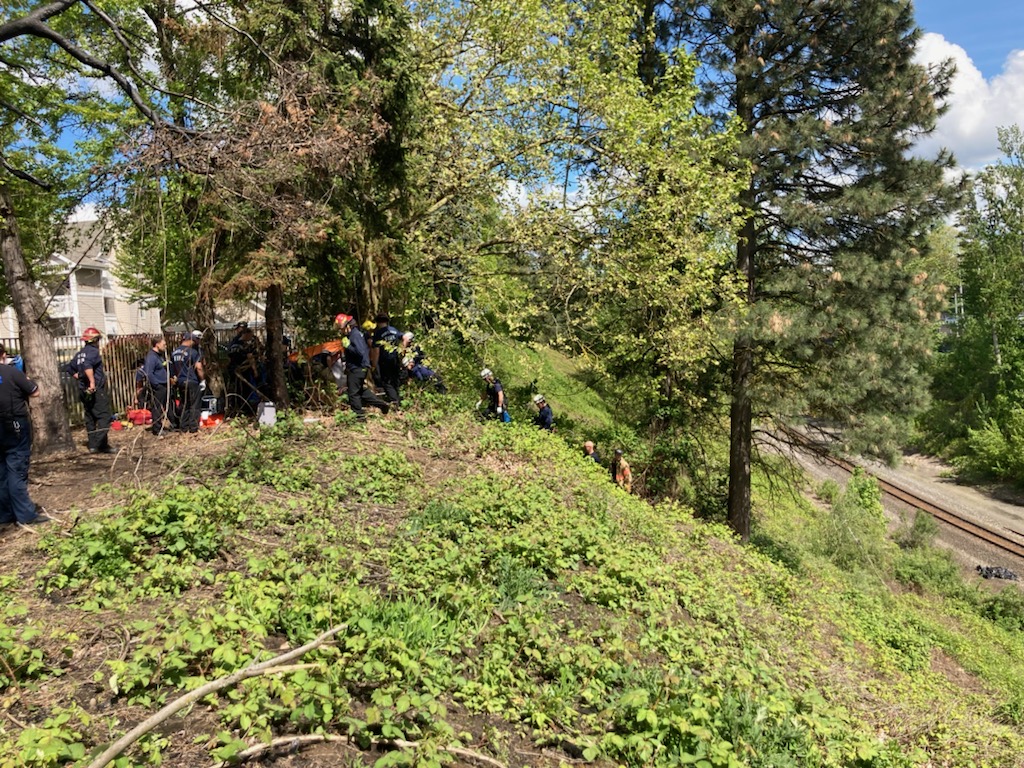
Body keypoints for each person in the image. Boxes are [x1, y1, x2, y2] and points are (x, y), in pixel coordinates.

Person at [0, 343, 50, 526]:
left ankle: (4, 514)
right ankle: (25, 514)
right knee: (16, 469)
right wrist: (25, 379)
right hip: (13, 425)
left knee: (1, 471)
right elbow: (34, 392)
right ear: (3, 354)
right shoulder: (12, 372)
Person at [66, 327, 113, 454]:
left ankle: (95, 445)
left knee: (91, 417)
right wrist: (92, 382)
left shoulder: (79, 354)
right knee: (105, 417)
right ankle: (99, 443)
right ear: (95, 340)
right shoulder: (93, 352)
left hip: (83, 390)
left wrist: (79, 377)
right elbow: (87, 366)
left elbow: (69, 368)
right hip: (95, 390)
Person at [336, 313, 389, 420]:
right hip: (358, 367)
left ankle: (359, 416)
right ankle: (381, 405)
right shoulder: (354, 335)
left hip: (357, 368)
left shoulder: (355, 335)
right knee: (360, 390)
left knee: (353, 393)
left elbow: (360, 352)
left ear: (348, 326)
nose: (341, 331)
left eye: (342, 328)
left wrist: (348, 346)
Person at [171, 330, 205, 433]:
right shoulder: (193, 352)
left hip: (180, 382)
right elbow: (199, 367)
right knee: (195, 405)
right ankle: (193, 428)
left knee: (184, 404)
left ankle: (184, 427)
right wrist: (203, 380)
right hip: (192, 381)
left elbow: (172, 369)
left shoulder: (174, 353)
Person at [372, 313, 405, 409]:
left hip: (384, 360)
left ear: (377, 322)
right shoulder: (394, 330)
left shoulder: (378, 333)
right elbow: (404, 337)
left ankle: (395, 402)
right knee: (395, 380)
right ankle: (399, 400)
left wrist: (374, 364)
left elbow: (376, 351)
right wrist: (402, 351)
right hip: (395, 358)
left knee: (386, 382)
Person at [143, 335, 170, 436]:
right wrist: (156, 384)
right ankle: (157, 429)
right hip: (158, 386)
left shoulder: (159, 356)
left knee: (165, 406)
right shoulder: (151, 357)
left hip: (164, 384)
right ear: (157, 344)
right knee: (157, 408)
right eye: (164, 344)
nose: (165, 346)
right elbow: (148, 373)